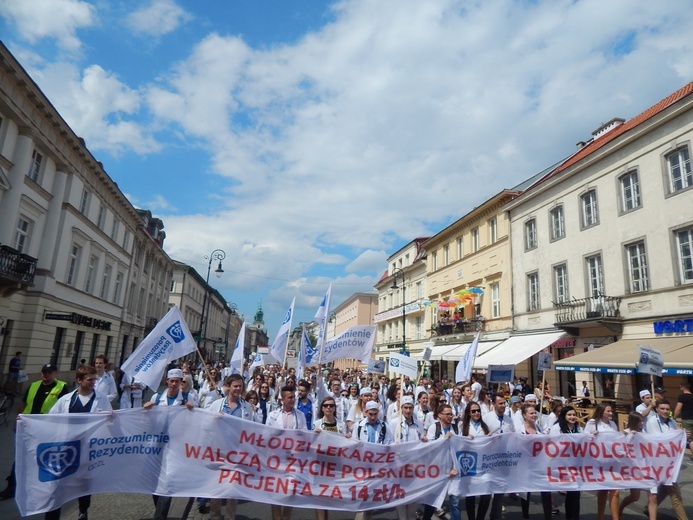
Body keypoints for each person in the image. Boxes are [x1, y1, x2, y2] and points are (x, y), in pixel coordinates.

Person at [46, 365, 112, 520]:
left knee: (84, 486)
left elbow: (109, 423)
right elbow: (50, 419)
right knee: (58, 488)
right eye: (90, 380)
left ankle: (83, 510)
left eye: (94, 380)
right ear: (79, 380)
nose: (93, 383)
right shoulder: (65, 400)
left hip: (88, 450)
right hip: (66, 451)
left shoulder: (101, 399)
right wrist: (27, 421)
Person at [0, 363, 70, 500]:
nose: (46, 374)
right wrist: (17, 420)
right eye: (44, 371)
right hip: (27, 427)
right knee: (20, 456)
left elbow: (65, 407)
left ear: (56, 373)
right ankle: (12, 487)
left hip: (48, 428)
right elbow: (24, 404)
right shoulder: (34, 385)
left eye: (49, 372)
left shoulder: (61, 387)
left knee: (43, 458)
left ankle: (42, 488)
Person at [207, 374, 260, 520]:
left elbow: (252, 429)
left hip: (237, 452)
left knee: (233, 488)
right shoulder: (216, 405)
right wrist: (213, 419)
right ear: (228, 386)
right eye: (235, 386)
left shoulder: (247, 407)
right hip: (219, 451)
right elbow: (204, 424)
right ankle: (215, 516)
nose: (238, 389)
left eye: (240, 386)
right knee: (216, 487)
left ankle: (230, 517)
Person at [267, 386, 308, 520]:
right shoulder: (272, 416)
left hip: (293, 460)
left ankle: (285, 518)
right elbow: (267, 436)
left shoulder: (300, 416)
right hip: (276, 459)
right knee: (276, 492)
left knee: (290, 492)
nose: (293, 399)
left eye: (293, 397)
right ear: (282, 399)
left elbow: (305, 435)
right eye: (290, 397)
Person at [644, 399, 688, 520]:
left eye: (667, 409)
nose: (665, 411)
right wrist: (676, 435)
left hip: (670, 463)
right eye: (662, 409)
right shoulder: (652, 422)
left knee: (664, 488)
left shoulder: (672, 422)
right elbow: (658, 440)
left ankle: (648, 507)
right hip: (656, 463)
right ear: (657, 409)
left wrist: (683, 434)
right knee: (675, 495)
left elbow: (674, 439)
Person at [354, 401, 392, 520]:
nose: (373, 417)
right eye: (370, 414)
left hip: (377, 468)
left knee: (371, 500)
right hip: (362, 468)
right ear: (365, 412)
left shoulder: (385, 426)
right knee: (362, 499)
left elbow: (390, 443)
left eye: (375, 414)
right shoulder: (358, 426)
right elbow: (354, 445)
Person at [583, 404, 619, 520]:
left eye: (611, 411)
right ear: (602, 411)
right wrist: (591, 435)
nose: (611, 413)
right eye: (608, 411)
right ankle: (600, 516)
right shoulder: (593, 423)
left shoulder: (613, 424)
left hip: (612, 461)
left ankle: (615, 517)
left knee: (615, 491)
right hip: (599, 461)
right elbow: (583, 438)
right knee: (603, 491)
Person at [618, 412, 656, 520]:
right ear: (634, 422)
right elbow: (622, 449)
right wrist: (630, 436)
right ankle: (620, 509)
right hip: (633, 469)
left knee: (653, 496)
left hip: (647, 467)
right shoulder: (625, 432)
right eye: (640, 421)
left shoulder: (643, 432)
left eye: (642, 421)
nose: (642, 423)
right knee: (635, 496)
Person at [518, 404, 552, 520]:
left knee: (546, 491)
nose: (534, 415)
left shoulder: (539, 428)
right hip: (526, 466)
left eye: (534, 413)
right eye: (531, 413)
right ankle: (525, 516)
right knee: (526, 493)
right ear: (524, 415)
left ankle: (548, 516)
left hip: (540, 465)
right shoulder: (519, 430)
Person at [484, 395, 514, 520]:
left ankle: (495, 516)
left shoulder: (508, 420)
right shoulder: (487, 418)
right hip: (490, 458)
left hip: (504, 458)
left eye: (504, 403)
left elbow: (513, 436)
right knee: (486, 492)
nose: (503, 406)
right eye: (500, 403)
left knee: (500, 490)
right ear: (494, 404)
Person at [550, 406, 582, 520]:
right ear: (564, 416)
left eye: (574, 415)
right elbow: (552, 444)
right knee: (570, 492)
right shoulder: (556, 428)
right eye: (569, 415)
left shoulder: (579, 429)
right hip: (562, 464)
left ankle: (574, 517)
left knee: (575, 493)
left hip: (575, 465)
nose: (572, 417)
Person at [461, 402, 491, 520]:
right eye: (473, 411)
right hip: (469, 464)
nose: (476, 413)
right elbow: (457, 444)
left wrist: (491, 438)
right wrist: (465, 439)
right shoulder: (462, 426)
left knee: (486, 495)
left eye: (478, 410)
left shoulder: (485, 426)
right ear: (469, 413)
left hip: (483, 465)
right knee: (471, 495)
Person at [674, 382, 693, 463]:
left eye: (680, 387)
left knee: (691, 439)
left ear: (683, 388)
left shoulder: (682, 397)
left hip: (686, 419)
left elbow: (678, 409)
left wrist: (674, 417)